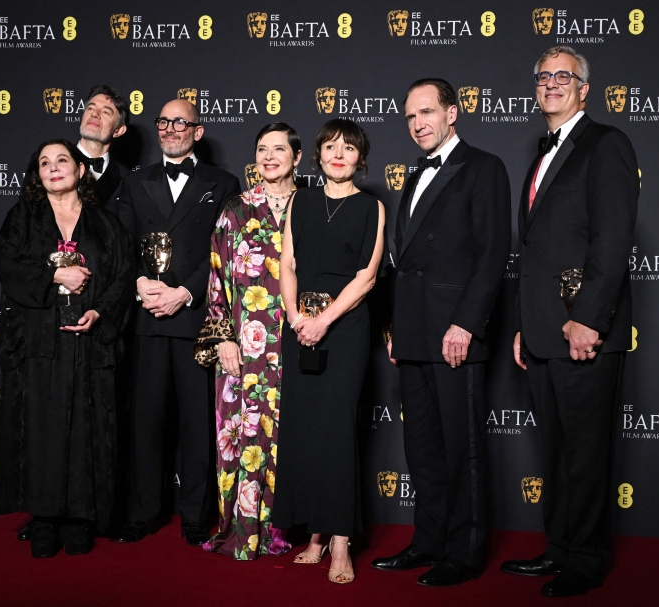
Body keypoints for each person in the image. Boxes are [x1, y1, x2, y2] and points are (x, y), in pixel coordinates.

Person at [502, 46, 638, 597]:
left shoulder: (606, 145)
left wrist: (588, 320)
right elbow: (537, 251)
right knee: (556, 452)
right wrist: (523, 324)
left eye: (564, 76)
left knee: (585, 453)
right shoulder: (542, 156)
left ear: (585, 89)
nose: (552, 83)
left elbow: (612, 240)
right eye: (544, 76)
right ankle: (558, 548)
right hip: (541, 333)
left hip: (583, 334)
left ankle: (585, 558)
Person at [371, 78, 510, 587]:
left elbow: (492, 254)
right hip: (412, 332)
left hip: (455, 332)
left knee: (461, 446)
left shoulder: (484, 167)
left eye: (427, 112)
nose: (418, 123)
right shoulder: (413, 175)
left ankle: (466, 551)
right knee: (422, 446)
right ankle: (427, 540)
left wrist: (466, 324)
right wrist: (394, 328)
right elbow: (404, 264)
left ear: (453, 113)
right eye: (409, 116)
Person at [0, 139, 135, 558]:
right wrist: (57, 277)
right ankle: (43, 518)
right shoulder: (22, 217)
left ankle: (79, 518)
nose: (54, 168)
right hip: (38, 343)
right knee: (40, 429)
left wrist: (100, 314)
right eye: (44, 163)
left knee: (87, 427)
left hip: (90, 345)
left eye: (62, 160)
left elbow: (123, 277)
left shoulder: (107, 225)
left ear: (80, 169)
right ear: (37, 175)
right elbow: (8, 266)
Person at [108, 99, 241, 546]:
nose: (169, 129)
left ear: (197, 131)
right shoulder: (134, 180)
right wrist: (142, 284)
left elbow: (224, 251)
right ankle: (142, 511)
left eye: (180, 122)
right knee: (145, 422)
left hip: (194, 319)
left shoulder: (222, 183)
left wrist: (185, 292)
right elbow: (119, 245)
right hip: (146, 318)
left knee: (197, 425)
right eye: (163, 122)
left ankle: (197, 515)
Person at [273, 119, 386, 584]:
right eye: (330, 147)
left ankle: (340, 541)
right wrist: (297, 318)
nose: (339, 154)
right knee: (305, 429)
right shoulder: (301, 200)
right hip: (299, 327)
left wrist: (323, 320)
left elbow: (367, 277)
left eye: (349, 148)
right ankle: (315, 533)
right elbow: (287, 264)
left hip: (345, 329)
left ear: (361, 158)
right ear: (316, 155)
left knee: (337, 432)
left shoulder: (372, 207)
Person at [199, 123, 302, 560]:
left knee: (288, 435)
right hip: (243, 346)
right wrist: (222, 337)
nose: (270, 157)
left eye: (280, 149)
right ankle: (240, 527)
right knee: (241, 438)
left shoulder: (312, 206)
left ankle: (285, 527)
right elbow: (217, 277)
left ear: (298, 158)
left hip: (296, 343)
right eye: (263, 149)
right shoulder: (235, 208)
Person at [78, 84, 131, 205]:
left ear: (118, 131)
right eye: (90, 108)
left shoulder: (128, 180)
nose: (95, 114)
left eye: (106, 112)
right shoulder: (49, 163)